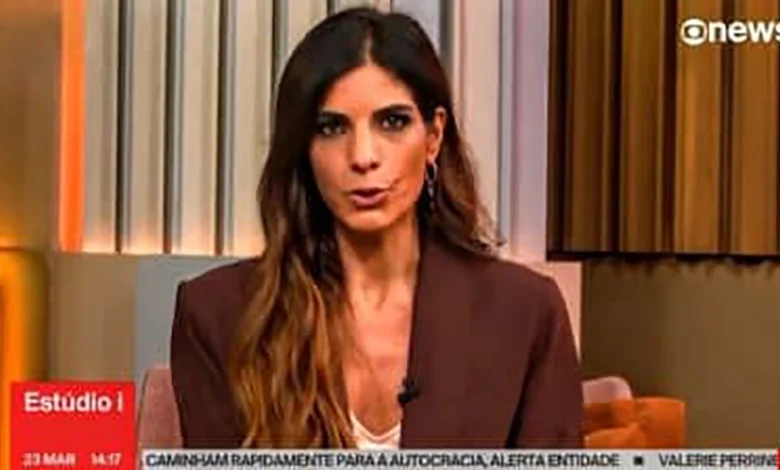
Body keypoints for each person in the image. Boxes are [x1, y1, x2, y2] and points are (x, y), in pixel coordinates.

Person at [170, 6, 582, 449]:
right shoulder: (218, 314)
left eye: (392, 122)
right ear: (303, 149)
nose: (363, 156)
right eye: (331, 127)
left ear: (433, 136)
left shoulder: (525, 314)